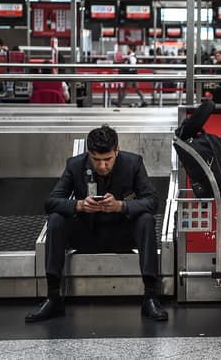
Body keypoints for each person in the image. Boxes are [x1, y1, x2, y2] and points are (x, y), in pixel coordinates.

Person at [25, 125, 167, 322]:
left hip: (121, 233)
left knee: (146, 220)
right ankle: (53, 297)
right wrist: (79, 205)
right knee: (56, 219)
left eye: (107, 159)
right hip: (87, 233)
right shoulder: (75, 165)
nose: (102, 166)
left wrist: (121, 206)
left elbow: (152, 201)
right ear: (88, 153)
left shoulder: (133, 163)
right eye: (96, 160)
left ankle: (150, 296)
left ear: (117, 151)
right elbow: (51, 202)